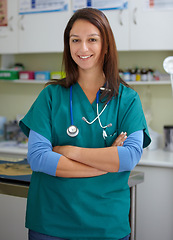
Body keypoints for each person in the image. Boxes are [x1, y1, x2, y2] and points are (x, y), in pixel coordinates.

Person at [19, 8, 151, 240]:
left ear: (106, 45)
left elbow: (129, 157)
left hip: (106, 224)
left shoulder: (127, 100)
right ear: (68, 45)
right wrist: (108, 160)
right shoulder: (50, 96)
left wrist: (69, 151)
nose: (83, 48)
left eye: (92, 39)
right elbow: (38, 157)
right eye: (75, 40)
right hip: (51, 222)